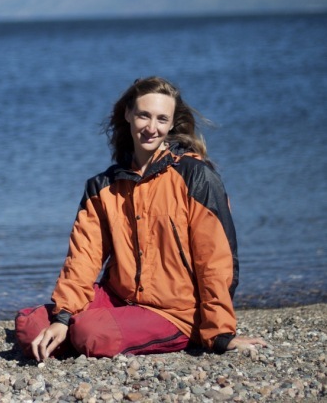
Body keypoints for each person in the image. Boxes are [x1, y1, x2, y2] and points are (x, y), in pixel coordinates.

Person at [31, 76, 266, 361]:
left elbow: (215, 260)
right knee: (32, 326)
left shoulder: (196, 176)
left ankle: (176, 333)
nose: (152, 128)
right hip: (119, 298)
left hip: (176, 311)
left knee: (90, 333)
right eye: (144, 115)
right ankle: (85, 329)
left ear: (172, 124)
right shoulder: (102, 186)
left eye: (161, 119)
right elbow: (83, 258)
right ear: (128, 114)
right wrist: (64, 316)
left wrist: (220, 334)